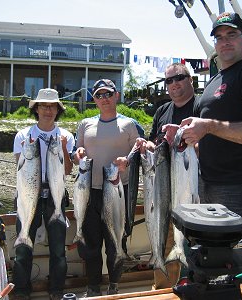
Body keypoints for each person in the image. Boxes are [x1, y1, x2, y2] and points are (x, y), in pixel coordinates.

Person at [164, 12, 242, 273]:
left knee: (234, 267)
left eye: (232, 35)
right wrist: (186, 130)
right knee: (205, 262)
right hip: (204, 183)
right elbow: (209, 131)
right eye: (219, 37)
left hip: (238, 186)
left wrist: (209, 126)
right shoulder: (215, 80)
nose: (224, 41)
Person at [72, 79, 144, 297]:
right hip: (88, 192)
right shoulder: (85, 124)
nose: (104, 99)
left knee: (115, 242)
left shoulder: (130, 124)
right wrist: (77, 155)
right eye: (99, 95)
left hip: (117, 190)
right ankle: (93, 287)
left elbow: (141, 151)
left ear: (117, 96)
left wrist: (128, 160)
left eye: (108, 94)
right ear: (94, 99)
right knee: (91, 244)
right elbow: (77, 153)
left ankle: (114, 285)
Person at [135, 62, 197, 289]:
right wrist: (147, 145)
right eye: (168, 81)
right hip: (162, 191)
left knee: (196, 248)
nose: (173, 84)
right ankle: (163, 290)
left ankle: (194, 288)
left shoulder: (201, 107)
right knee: (166, 241)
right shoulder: (162, 111)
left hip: (192, 190)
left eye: (178, 78)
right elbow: (155, 141)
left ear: (190, 79)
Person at [12, 88, 74, 300]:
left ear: (58, 110)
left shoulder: (66, 136)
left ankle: (56, 290)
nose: (48, 110)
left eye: (52, 106)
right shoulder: (23, 135)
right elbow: (21, 168)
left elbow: (67, 170)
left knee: (58, 249)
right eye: (44, 106)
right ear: (36, 109)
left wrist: (64, 148)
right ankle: (21, 290)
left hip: (56, 196)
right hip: (29, 195)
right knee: (23, 249)